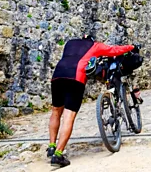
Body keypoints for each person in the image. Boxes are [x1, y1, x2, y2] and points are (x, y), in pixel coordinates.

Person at [47, 34, 137, 167]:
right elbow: (114, 50)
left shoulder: (69, 43)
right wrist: (131, 47)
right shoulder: (95, 46)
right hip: (75, 77)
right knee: (69, 116)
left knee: (56, 111)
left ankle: (51, 147)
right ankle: (58, 155)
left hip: (58, 75)